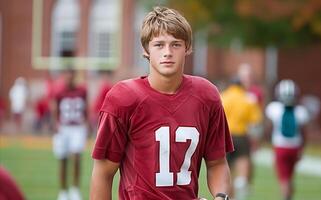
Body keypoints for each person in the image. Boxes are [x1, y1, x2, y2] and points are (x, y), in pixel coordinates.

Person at [90, 6, 233, 200]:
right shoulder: (123, 98)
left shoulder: (206, 95)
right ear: (146, 49)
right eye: (159, 45)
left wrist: (221, 197)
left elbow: (217, 163)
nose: (168, 52)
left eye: (176, 44)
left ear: (188, 47)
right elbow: (102, 174)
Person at [265, 79, 310, 200]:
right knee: (289, 177)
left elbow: (268, 129)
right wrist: (302, 149)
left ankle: (286, 197)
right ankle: (289, 196)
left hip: (280, 147)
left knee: (284, 179)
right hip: (295, 147)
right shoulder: (301, 111)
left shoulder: (274, 108)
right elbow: (304, 133)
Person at [221, 79, 262, 200]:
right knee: (243, 164)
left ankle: (231, 196)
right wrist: (256, 141)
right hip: (242, 136)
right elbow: (256, 123)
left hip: (225, 136)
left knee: (226, 172)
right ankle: (242, 182)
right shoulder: (248, 99)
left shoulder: (222, 97)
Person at [52, 69, 88, 200]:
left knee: (77, 157)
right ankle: (63, 191)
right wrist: (55, 123)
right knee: (63, 160)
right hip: (63, 128)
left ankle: (74, 189)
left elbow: (85, 107)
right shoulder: (58, 91)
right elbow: (54, 107)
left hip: (78, 128)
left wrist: (87, 122)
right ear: (63, 76)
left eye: (71, 75)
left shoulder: (82, 90)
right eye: (66, 75)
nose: (69, 78)